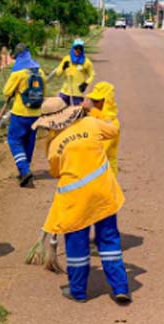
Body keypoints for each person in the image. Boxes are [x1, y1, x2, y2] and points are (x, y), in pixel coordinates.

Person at [33, 97, 131, 304]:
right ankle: (121, 287)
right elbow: (113, 131)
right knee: (109, 241)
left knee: (77, 245)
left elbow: (55, 171)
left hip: (75, 201)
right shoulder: (90, 123)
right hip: (104, 195)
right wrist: (93, 111)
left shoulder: (54, 144)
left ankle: (78, 291)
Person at [2, 43, 44, 188]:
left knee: (14, 140)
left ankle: (24, 170)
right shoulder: (40, 71)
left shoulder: (18, 73)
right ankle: (26, 168)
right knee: (29, 141)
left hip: (21, 113)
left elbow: (6, 92)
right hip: (37, 113)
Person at [85, 81, 121, 177]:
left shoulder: (112, 124)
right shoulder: (95, 116)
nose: (92, 103)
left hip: (106, 175)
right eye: (92, 100)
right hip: (93, 172)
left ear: (106, 101)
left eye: (96, 101)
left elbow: (100, 150)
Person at [50, 38, 95, 106]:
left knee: (76, 113)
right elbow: (58, 74)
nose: (78, 50)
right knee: (59, 110)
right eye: (76, 48)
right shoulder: (67, 59)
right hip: (65, 91)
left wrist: (85, 84)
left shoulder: (86, 62)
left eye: (80, 48)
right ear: (73, 48)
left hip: (77, 93)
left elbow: (92, 75)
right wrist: (63, 67)